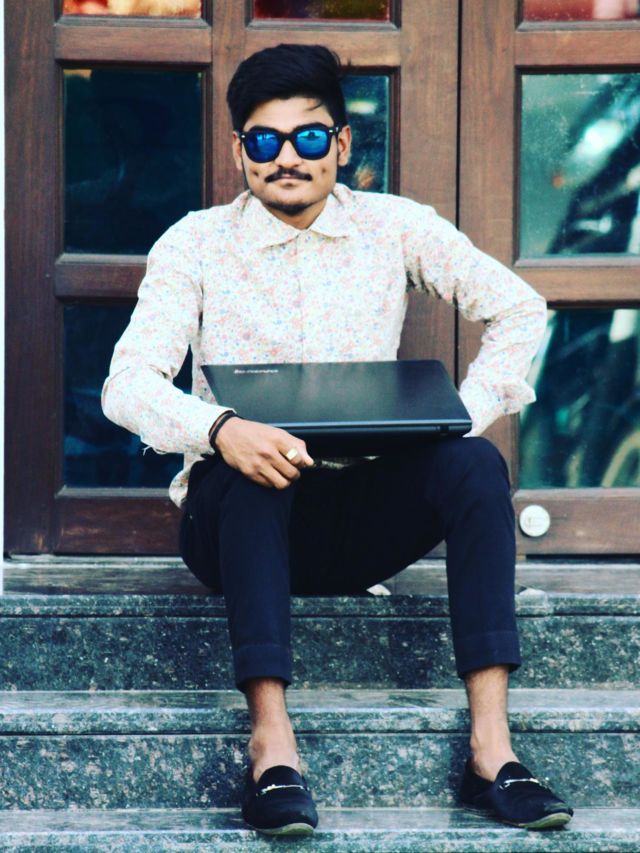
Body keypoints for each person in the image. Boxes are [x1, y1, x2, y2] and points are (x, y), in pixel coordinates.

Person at [102, 43, 573, 837]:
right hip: (235, 524)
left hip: (360, 521)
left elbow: (520, 308)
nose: (287, 157)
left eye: (310, 137)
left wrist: (457, 415)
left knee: (473, 463)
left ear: (343, 144)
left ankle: (493, 750)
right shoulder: (195, 242)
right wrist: (220, 429)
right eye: (265, 140)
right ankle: (272, 750)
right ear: (239, 151)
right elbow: (126, 383)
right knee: (253, 472)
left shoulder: (394, 226)